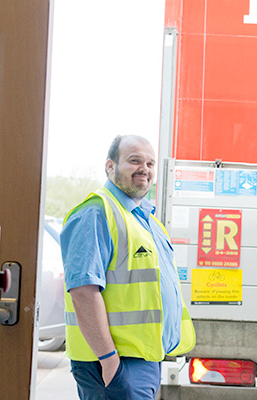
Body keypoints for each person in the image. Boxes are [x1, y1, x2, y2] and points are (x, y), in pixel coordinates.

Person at [60, 135, 195, 399]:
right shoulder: (96, 212)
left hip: (143, 359)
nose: (144, 168)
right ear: (110, 166)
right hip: (115, 362)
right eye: (134, 161)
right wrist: (109, 360)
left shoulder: (145, 219)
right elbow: (83, 291)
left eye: (150, 163)